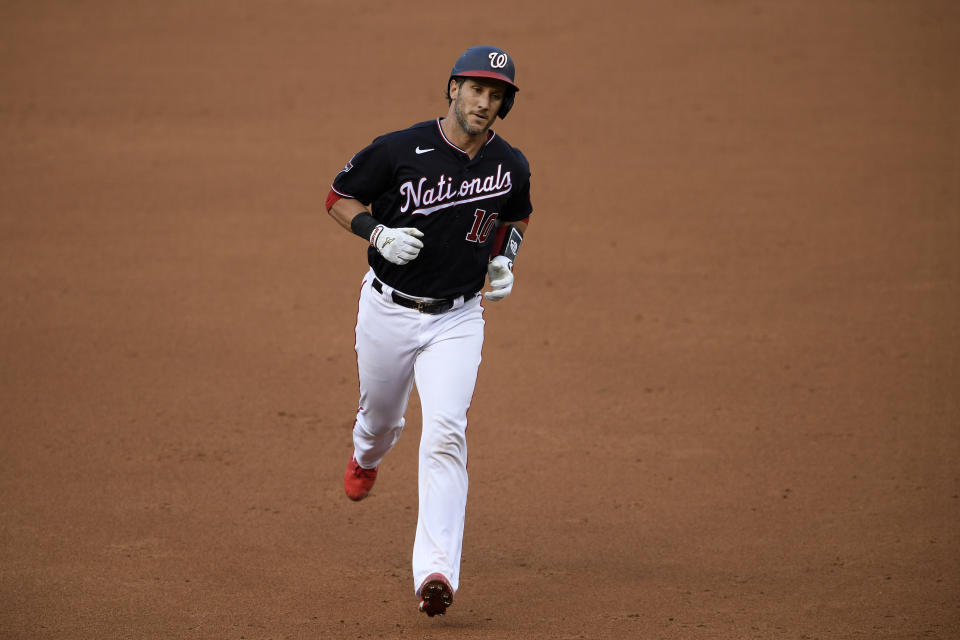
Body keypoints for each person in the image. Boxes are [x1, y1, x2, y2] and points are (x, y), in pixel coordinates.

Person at [324, 45, 533, 617]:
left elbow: (516, 216)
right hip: (388, 309)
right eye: (475, 89)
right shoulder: (398, 148)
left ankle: (435, 571)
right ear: (453, 89)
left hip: (458, 317)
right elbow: (339, 198)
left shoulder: (508, 164)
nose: (483, 102)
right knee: (381, 420)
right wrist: (377, 233)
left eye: (495, 95)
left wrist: (504, 260)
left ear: (503, 105)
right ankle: (366, 455)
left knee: (445, 432)